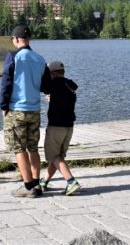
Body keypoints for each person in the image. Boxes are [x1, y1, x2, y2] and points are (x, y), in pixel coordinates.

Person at [0, 25, 51, 198]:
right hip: (34, 110)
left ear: (15, 39)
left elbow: (6, 83)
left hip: (17, 109)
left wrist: (3, 107)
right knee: (33, 147)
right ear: (28, 39)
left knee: (19, 148)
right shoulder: (40, 59)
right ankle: (36, 184)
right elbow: (46, 87)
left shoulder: (13, 57)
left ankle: (28, 186)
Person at [40, 60, 80, 195]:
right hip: (69, 126)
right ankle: (44, 182)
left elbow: (43, 87)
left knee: (53, 155)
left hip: (56, 126)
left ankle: (71, 181)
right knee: (57, 157)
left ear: (54, 73)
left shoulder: (55, 83)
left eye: (49, 74)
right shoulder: (69, 85)